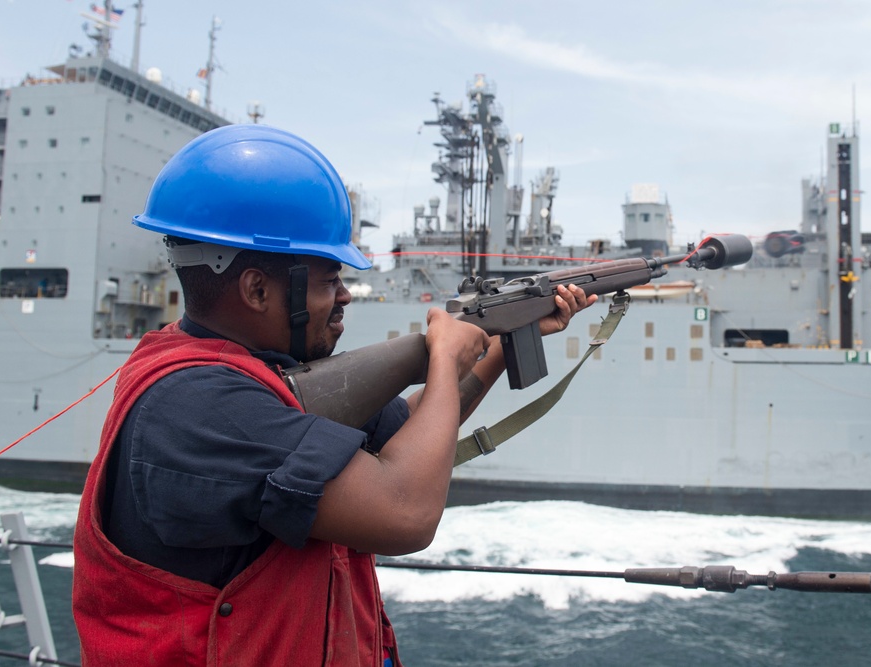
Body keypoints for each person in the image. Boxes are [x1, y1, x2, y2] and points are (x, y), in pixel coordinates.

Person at [72, 124, 595, 666]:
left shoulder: (253, 377)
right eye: (328, 280)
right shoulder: (203, 405)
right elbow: (405, 514)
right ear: (256, 289)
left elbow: (409, 432)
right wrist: (443, 358)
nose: (345, 296)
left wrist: (499, 346)